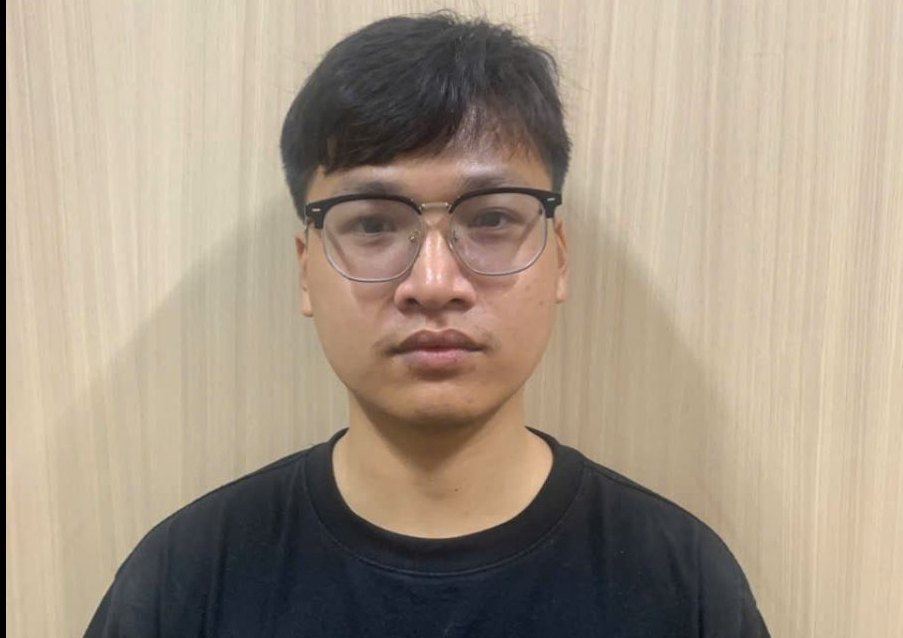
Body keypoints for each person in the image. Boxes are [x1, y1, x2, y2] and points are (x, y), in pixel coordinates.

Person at [85, 11, 771, 637]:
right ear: (305, 269)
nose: (433, 284)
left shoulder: (680, 584)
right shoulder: (185, 582)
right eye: (373, 225)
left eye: (492, 218)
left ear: (558, 259)